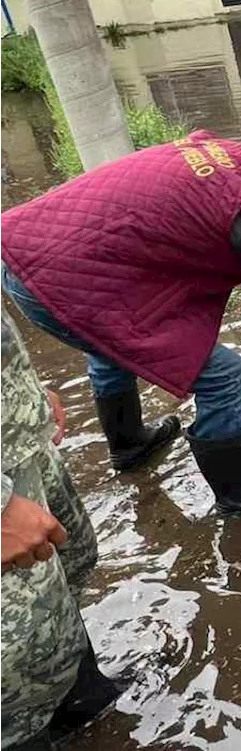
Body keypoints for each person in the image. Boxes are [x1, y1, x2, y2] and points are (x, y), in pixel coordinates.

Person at [0, 129, 241, 516]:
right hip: (56, 279)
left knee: (107, 343)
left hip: (31, 247)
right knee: (228, 377)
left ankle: (130, 447)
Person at [1, 304, 121, 750]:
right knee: (10, 656)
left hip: (17, 442)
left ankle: (85, 704)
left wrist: (22, 391)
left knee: (61, 577)